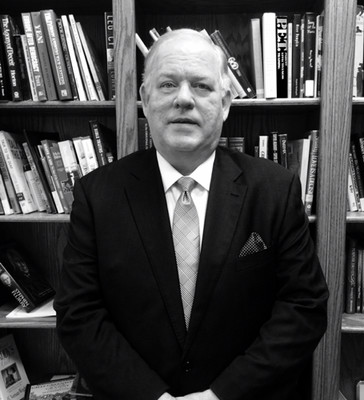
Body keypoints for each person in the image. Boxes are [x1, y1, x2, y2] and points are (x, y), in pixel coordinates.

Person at [54, 29, 329, 400]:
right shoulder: (96, 195)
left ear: (225, 103)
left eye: (201, 86)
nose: (184, 98)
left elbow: (303, 306)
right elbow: (79, 313)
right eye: (168, 84)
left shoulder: (275, 190)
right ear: (145, 99)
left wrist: (220, 395)